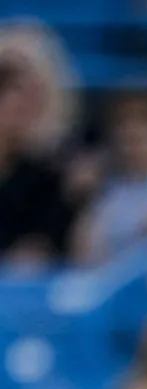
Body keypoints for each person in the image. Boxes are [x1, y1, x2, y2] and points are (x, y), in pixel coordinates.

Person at [73, 94, 147, 265]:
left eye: (142, 141)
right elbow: (86, 251)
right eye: (128, 142)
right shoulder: (111, 194)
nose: (135, 150)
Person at [0, 57, 73, 265]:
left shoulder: (46, 177)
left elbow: (44, 245)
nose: (25, 112)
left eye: (31, 105)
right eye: (17, 105)